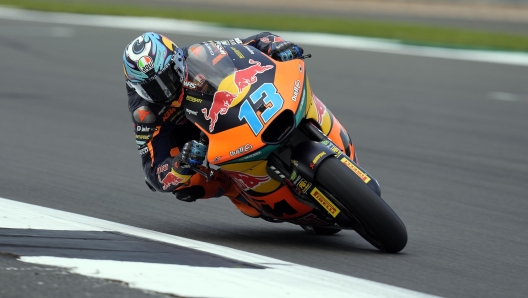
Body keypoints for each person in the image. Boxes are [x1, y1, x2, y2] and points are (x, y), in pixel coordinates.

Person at [123, 32, 304, 218]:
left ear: (177, 60)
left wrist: (276, 45)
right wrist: (179, 163)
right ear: (138, 87)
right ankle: (234, 189)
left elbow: (252, 42)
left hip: (227, 109)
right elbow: (153, 173)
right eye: (152, 87)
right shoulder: (145, 113)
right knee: (187, 184)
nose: (165, 90)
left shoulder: (198, 54)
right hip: (190, 136)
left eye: (167, 77)